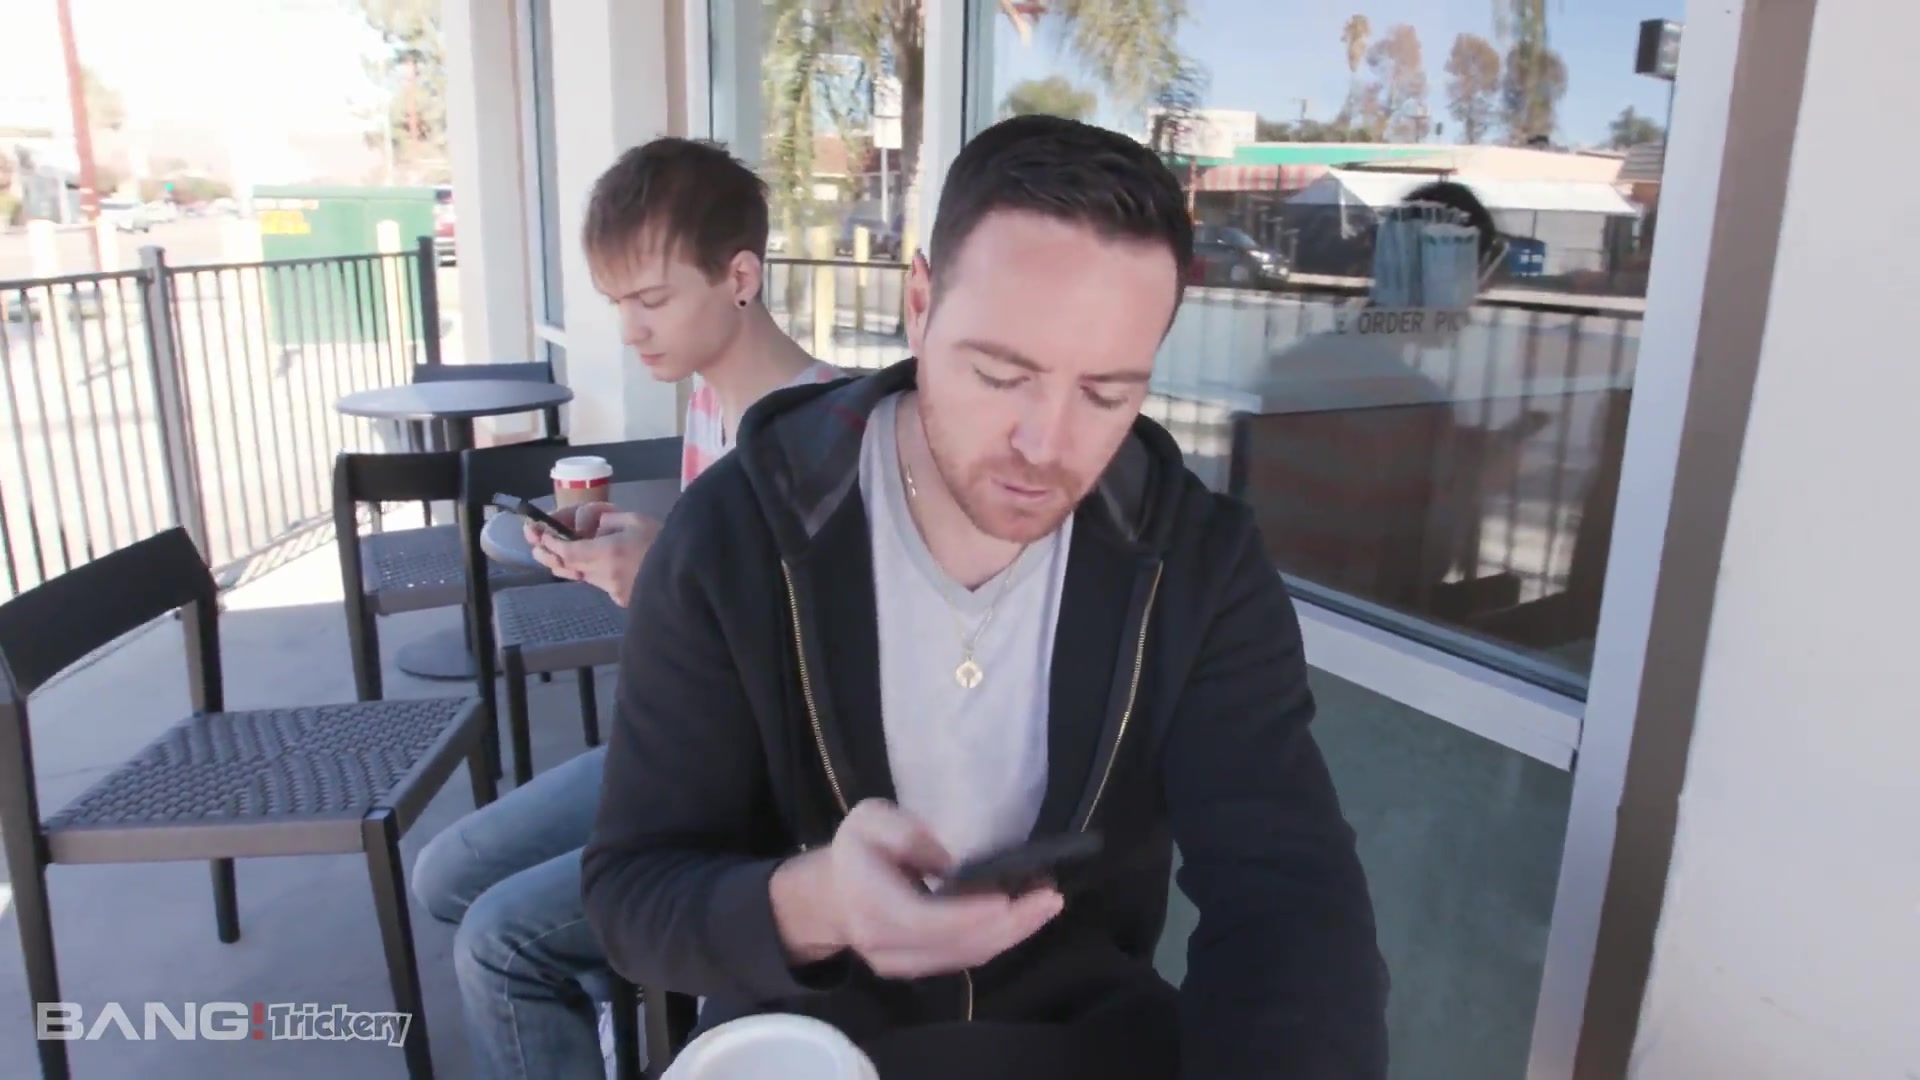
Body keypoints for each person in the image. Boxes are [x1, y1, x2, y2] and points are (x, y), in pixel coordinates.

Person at [581, 114, 1389, 1079]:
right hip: (809, 1053)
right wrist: (821, 903)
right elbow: (635, 895)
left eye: (1107, 393)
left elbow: (1290, 900)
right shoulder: (737, 534)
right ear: (920, 304)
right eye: (1002, 374)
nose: (1045, 445)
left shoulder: (1195, 563)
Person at [409, 136, 839, 1080]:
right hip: (681, 748)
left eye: (651, 300)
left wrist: (667, 581)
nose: (632, 331)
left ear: (739, 278)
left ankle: (614, 992)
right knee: (440, 874)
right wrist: (648, 556)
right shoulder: (708, 405)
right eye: (617, 304)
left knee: (498, 946)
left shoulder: (824, 435)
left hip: (762, 791)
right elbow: (719, 596)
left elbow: (832, 678)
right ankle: (622, 1003)